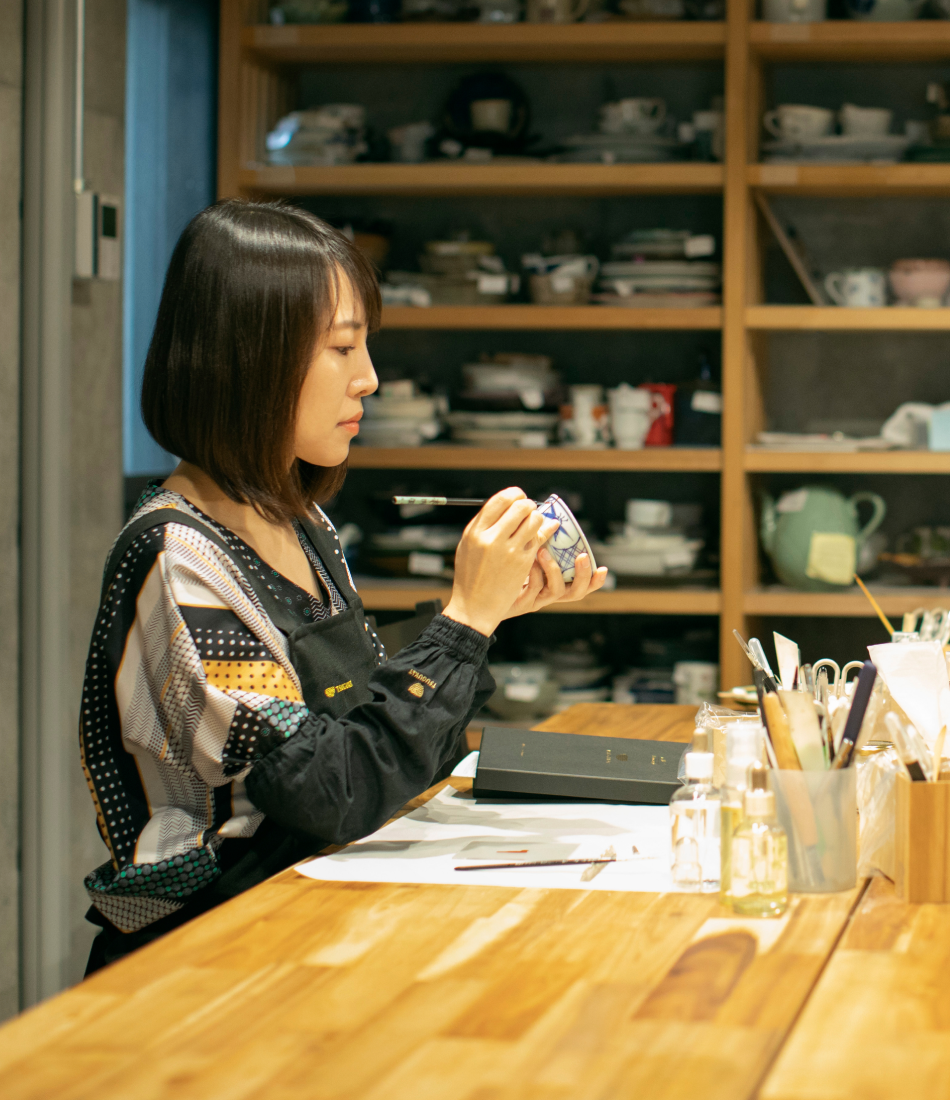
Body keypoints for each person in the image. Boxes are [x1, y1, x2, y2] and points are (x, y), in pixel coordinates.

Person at [81, 200, 607, 974]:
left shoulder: (301, 524)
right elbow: (325, 790)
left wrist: (489, 616)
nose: (369, 378)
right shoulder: (179, 556)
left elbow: (390, 757)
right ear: (248, 357)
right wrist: (462, 622)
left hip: (315, 919)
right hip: (210, 955)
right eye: (341, 347)